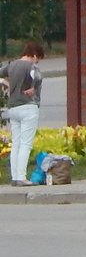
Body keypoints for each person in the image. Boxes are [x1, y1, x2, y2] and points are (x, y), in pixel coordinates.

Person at [1, 42, 45, 186]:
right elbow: (38, 76)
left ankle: (15, 177)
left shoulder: (12, 65)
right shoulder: (31, 66)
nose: (37, 61)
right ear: (33, 55)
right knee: (26, 144)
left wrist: (6, 84)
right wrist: (33, 88)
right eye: (37, 58)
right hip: (28, 106)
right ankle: (22, 177)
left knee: (16, 144)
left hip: (13, 108)